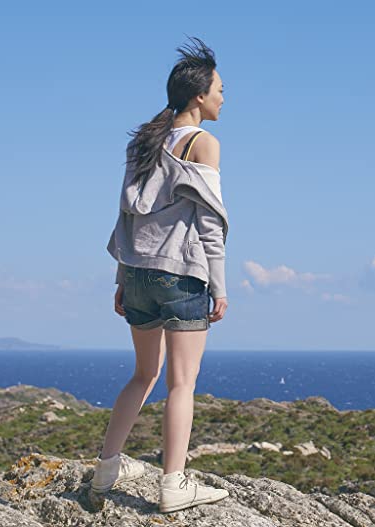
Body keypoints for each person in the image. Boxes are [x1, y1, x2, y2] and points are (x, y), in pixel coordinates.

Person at [90, 36, 230, 513]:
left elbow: (124, 217)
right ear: (198, 96)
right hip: (180, 276)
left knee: (143, 375)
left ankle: (106, 469)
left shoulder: (143, 144)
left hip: (138, 275)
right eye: (219, 89)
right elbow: (210, 223)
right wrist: (220, 286)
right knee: (182, 383)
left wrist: (122, 280)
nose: (222, 97)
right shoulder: (202, 143)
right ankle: (174, 484)